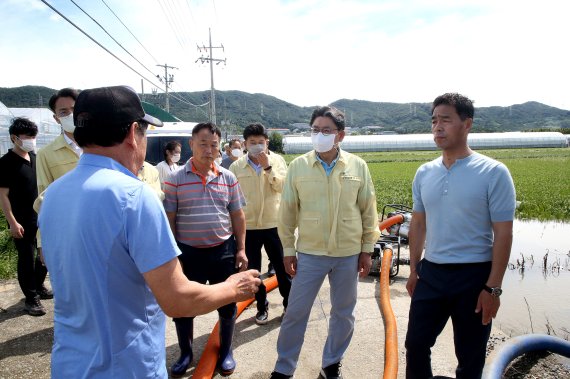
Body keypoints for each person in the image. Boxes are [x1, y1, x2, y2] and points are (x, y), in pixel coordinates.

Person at [38, 86, 260, 378]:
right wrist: (235, 288)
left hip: (70, 362)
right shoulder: (134, 196)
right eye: (144, 132)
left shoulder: (53, 195)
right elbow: (177, 299)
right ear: (133, 133)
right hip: (125, 365)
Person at [405, 93, 516, 379]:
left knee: (470, 355)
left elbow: (503, 232)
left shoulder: (493, 172)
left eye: (446, 120)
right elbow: (418, 224)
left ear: (467, 124)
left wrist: (493, 288)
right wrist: (414, 269)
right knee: (415, 344)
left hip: (474, 276)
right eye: (434, 121)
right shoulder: (424, 172)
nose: (437, 127)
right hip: (432, 272)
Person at [271, 106, 380, 379]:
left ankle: (331, 364)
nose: (319, 135)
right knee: (296, 312)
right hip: (310, 252)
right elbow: (286, 214)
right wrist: (287, 250)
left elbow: (368, 210)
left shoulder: (358, 166)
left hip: (348, 253)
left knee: (343, 314)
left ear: (340, 135)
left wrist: (367, 250)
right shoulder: (299, 166)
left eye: (326, 130)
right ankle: (284, 368)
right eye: (315, 129)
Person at [164, 122, 248, 377]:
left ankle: (225, 351)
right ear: (191, 144)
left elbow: (238, 216)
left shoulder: (228, 177)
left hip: (222, 250)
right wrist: (172, 254)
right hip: (188, 253)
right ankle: (185, 353)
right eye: (203, 144)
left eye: (213, 144)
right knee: (184, 305)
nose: (209, 149)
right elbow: (169, 218)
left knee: (227, 302)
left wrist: (241, 249)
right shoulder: (175, 178)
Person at [229, 123, 291, 325]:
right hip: (249, 227)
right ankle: (261, 306)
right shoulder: (237, 166)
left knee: (283, 268)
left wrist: (268, 167)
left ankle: (289, 305)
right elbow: (231, 198)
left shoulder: (278, 161)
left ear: (267, 143)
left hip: (275, 224)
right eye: (252, 142)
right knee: (254, 271)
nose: (257, 146)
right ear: (245, 144)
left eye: (261, 142)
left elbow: (283, 187)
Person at [0, 117, 49, 316]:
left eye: (34, 136)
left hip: (41, 217)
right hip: (21, 219)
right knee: (27, 258)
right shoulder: (6, 163)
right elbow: (2, 195)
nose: (32, 140)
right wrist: (12, 222)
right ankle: (31, 298)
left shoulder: (35, 158)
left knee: (44, 255)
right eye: (27, 136)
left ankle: (38, 286)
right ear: (14, 138)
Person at [36, 87, 82, 269]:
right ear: (56, 118)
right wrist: (42, 243)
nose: (70, 114)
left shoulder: (101, 147)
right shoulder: (46, 154)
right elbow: (43, 201)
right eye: (64, 112)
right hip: (66, 234)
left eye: (74, 109)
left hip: (100, 229)